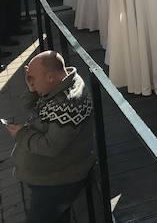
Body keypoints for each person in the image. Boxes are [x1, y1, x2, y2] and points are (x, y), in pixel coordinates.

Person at [7, 51, 95, 223]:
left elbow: (51, 147)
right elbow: (27, 105)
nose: (30, 81)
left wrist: (21, 134)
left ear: (50, 77)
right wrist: (32, 87)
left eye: (33, 78)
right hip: (54, 176)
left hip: (58, 181)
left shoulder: (66, 103)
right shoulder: (62, 82)